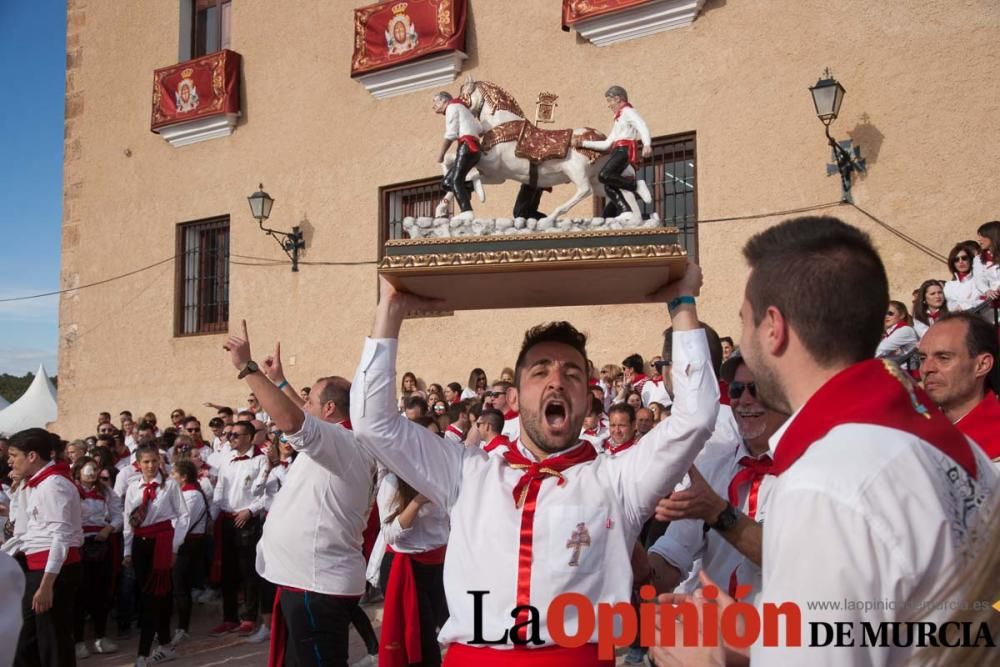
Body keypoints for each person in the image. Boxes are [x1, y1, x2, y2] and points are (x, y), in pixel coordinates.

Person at [351, 264, 716, 665]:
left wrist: (682, 302)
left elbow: (695, 416)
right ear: (516, 396)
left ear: (587, 398)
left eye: (572, 374)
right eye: (540, 372)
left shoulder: (618, 481)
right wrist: (391, 308)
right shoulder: (467, 472)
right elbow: (373, 423)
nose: (556, 382)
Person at [733, 215, 997, 666]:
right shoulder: (955, 447)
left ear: (773, 328)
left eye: (744, 321)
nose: (742, 340)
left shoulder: (824, 484)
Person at [222, 329, 378, 667]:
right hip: (308, 581)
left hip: (316, 585)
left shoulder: (341, 443)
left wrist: (249, 369)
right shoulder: (340, 439)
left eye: (311, 401)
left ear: (331, 408)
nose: (304, 404)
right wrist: (279, 382)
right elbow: (304, 413)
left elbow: (295, 420)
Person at [647, 352, 784, 606]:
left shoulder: (808, 465)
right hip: (718, 636)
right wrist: (635, 568)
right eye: (736, 390)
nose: (744, 399)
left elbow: (786, 556)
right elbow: (675, 551)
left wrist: (718, 512)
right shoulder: (716, 463)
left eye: (756, 389)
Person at [9, 428, 84, 667]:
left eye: (14, 454)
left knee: (53, 641)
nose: (9, 460)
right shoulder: (35, 484)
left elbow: (60, 535)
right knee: (26, 638)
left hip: (52, 571)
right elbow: (24, 528)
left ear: (32, 456)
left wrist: (47, 584)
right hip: (36, 566)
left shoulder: (54, 484)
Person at [123, 443, 189, 666]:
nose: (151, 466)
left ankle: (143, 652)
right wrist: (127, 550)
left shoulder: (169, 486)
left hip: (161, 543)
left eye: (154, 461)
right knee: (148, 596)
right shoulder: (133, 487)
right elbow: (127, 521)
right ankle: (165, 643)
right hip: (140, 544)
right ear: (139, 464)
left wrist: (174, 546)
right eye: (146, 462)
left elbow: (183, 516)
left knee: (155, 595)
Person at [377, 470, 450, 667]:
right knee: (421, 645)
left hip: (439, 565)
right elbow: (390, 535)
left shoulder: (442, 471)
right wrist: (418, 501)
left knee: (432, 635)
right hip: (407, 569)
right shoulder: (392, 481)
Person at [209, 420, 267, 637]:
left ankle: (250, 617)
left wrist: (250, 511)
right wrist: (213, 518)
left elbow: (265, 495)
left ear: (249, 437)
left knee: (248, 570)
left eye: (235, 435)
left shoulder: (260, 460)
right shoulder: (226, 460)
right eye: (229, 434)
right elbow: (220, 491)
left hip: (246, 519)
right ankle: (229, 617)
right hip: (226, 519)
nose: (230, 438)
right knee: (228, 571)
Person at [919, 312, 1000, 464]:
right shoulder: (913, 431)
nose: (926, 368)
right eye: (922, 358)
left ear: (982, 365)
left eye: (943, 358)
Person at [576, 85, 653, 219]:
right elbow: (607, 144)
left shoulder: (628, 111)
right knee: (608, 186)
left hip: (625, 150)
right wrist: (583, 143)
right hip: (618, 149)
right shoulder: (619, 119)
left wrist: (647, 144)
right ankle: (626, 211)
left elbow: (641, 125)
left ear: (618, 99)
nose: (609, 105)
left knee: (604, 175)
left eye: (610, 101)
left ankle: (636, 186)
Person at [72, 456, 122, 659]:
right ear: (78, 470)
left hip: (101, 546)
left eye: (94, 468)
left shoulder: (106, 491)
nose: (91, 473)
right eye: (87, 468)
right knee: (79, 595)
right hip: (79, 547)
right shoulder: (72, 490)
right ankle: (78, 641)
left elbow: (119, 515)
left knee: (101, 593)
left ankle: (101, 637)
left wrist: (108, 529)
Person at [169, 459, 210, 648]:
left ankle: (183, 629)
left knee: (181, 587)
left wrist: (173, 547)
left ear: (183, 477)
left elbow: (182, 523)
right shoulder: (182, 493)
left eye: (174, 474)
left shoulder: (192, 495)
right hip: (182, 544)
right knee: (177, 587)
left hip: (187, 545)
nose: (171, 477)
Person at [434, 91, 483, 220]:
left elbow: (451, 134)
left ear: (444, 101)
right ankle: (470, 184)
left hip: (467, 147)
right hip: (473, 148)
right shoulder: (464, 109)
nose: (434, 106)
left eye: (436, 102)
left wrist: (441, 154)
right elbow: (480, 128)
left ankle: (466, 211)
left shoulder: (452, 107)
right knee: (447, 182)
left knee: (455, 180)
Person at [874, 300, 919, 366]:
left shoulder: (905, 330)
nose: (886, 316)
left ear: (902, 315)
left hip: (903, 373)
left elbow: (881, 350)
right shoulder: (889, 332)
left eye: (890, 313)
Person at [943, 241, 985, 311]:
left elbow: (985, 300)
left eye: (964, 258)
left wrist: (963, 306)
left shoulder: (981, 280)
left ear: (970, 260)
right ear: (952, 263)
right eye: (956, 259)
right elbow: (949, 307)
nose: (960, 262)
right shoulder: (948, 286)